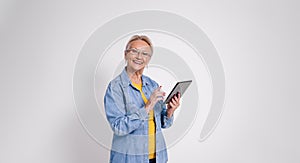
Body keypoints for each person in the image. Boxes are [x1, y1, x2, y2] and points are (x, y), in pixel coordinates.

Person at [104, 35, 181, 163]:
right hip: (130, 159)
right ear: (125, 54)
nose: (139, 57)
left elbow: (163, 123)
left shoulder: (152, 85)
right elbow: (118, 127)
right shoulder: (115, 88)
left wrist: (169, 111)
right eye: (134, 51)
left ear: (148, 59)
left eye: (145, 53)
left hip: (157, 158)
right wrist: (147, 106)